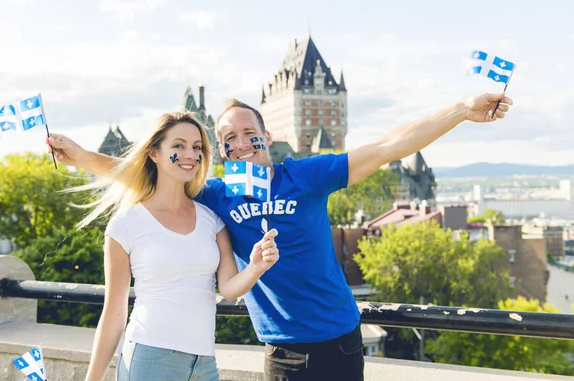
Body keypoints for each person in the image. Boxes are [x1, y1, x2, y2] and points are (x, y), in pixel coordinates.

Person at [48, 92, 513, 380]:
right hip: (281, 350)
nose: (240, 142)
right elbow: (150, 175)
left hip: (340, 340)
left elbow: (389, 146)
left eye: (249, 132)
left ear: (267, 135)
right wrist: (83, 156)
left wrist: (460, 111)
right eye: (228, 138)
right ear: (223, 149)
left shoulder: (305, 175)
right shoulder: (216, 196)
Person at [77, 112, 279, 381]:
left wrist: (256, 266)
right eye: (178, 145)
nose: (190, 154)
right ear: (154, 154)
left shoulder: (212, 219)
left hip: (204, 364)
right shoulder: (126, 223)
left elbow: (229, 289)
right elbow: (114, 315)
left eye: (197, 147)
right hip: (149, 359)